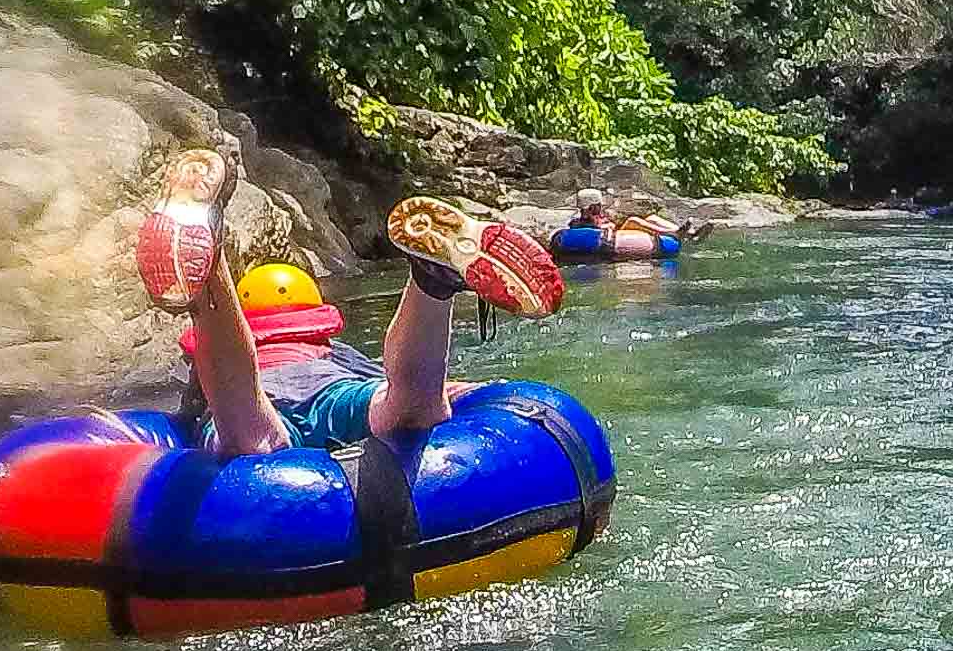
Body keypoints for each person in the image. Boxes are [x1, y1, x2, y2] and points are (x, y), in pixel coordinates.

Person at [135, 148, 564, 456]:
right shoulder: (331, 351)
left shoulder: (213, 360)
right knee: (407, 408)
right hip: (332, 389)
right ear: (314, 319)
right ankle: (432, 282)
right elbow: (402, 379)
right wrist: (473, 391)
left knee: (251, 437)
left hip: (258, 395)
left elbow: (187, 413)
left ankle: (212, 275)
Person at [568, 186, 705, 243]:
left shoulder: (598, 215)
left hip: (617, 233)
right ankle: (673, 233)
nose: (601, 206)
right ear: (592, 206)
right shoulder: (582, 221)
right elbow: (591, 233)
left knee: (651, 217)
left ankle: (687, 233)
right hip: (614, 238)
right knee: (633, 220)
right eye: (598, 205)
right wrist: (605, 226)